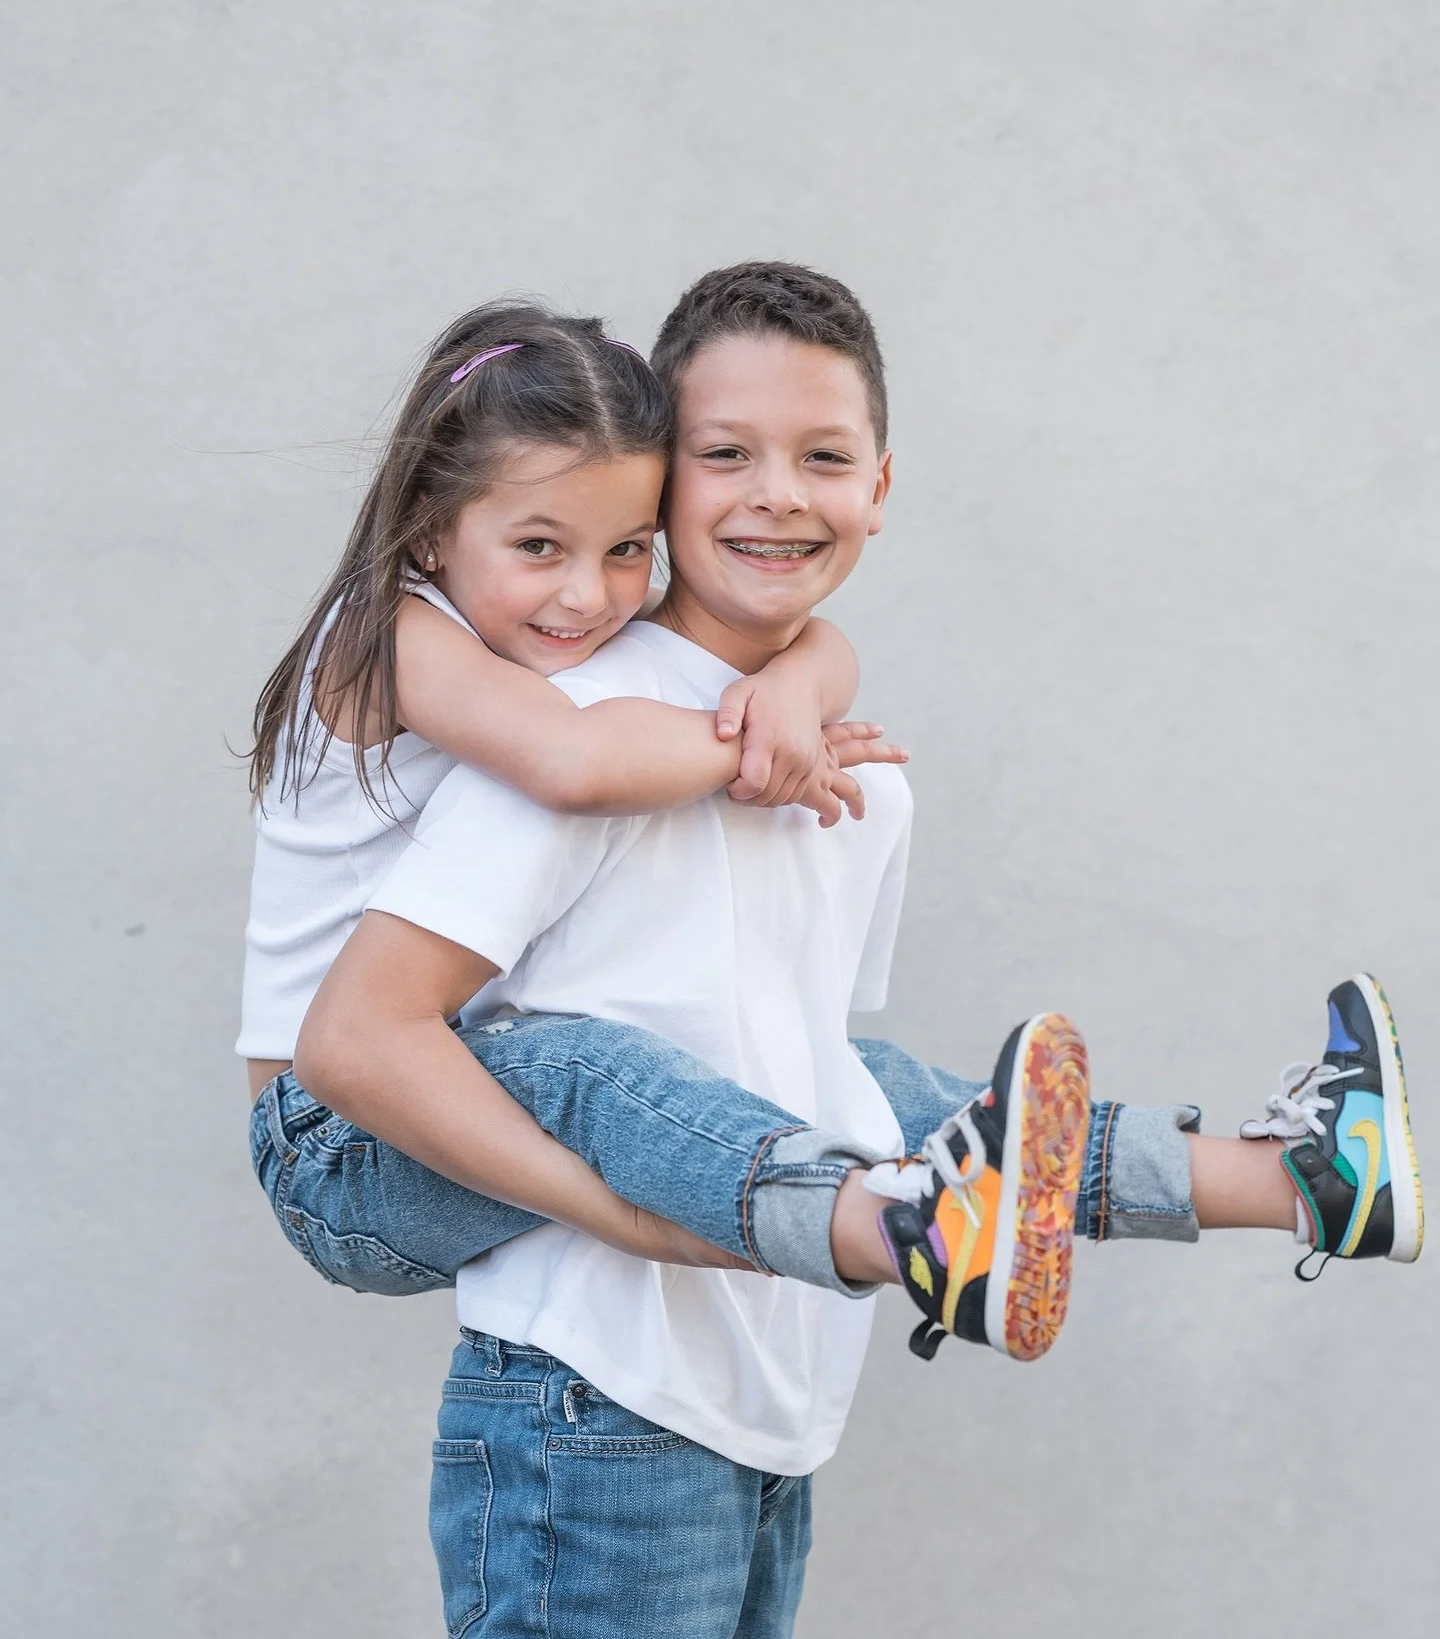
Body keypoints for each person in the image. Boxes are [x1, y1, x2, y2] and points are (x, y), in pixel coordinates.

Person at [285, 262, 1422, 1637]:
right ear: (657, 484)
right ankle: (901, 1226)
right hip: (597, 1399)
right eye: (723, 456)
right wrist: (615, 1213)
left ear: (880, 486)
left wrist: (807, 683)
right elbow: (366, 1033)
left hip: (775, 1403)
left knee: (860, 1082)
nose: (775, 491)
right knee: (583, 1066)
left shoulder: (857, 779)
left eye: (823, 457)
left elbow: (786, 1046)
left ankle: (1299, 1177)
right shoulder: (570, 732)